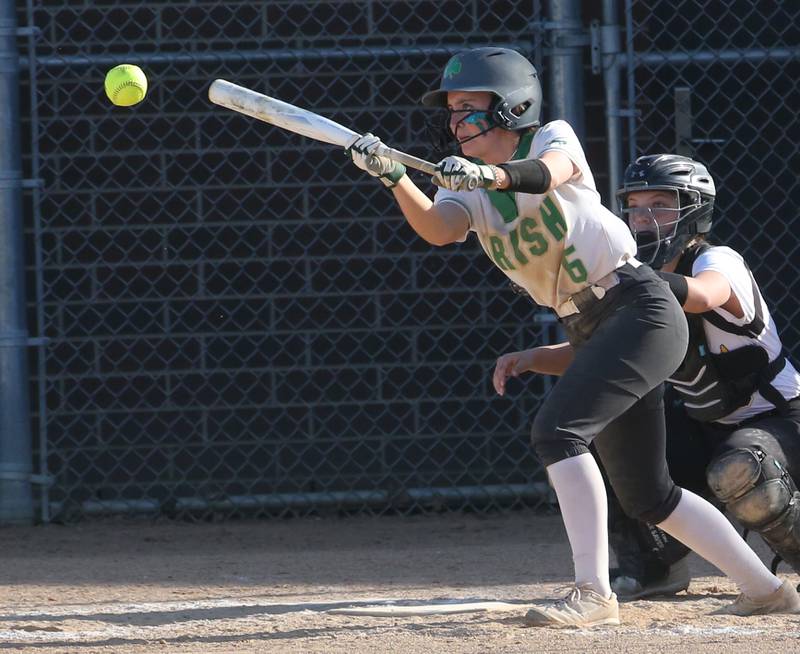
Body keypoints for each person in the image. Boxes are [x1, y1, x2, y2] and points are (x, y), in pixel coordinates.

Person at [346, 46, 800, 626]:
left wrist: (490, 174)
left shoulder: (549, 140)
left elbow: (544, 176)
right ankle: (764, 589)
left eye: (468, 107)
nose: (454, 121)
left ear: (511, 107)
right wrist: (395, 179)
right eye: (452, 110)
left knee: (557, 431)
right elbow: (438, 228)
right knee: (648, 496)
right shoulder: (464, 188)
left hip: (638, 304)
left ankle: (592, 593)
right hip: (586, 322)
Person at [593, 154, 800, 601]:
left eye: (661, 205)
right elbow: (597, 355)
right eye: (635, 206)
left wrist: (631, 278)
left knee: (742, 468)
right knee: (603, 446)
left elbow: (706, 296)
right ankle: (651, 567)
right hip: (705, 426)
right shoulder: (640, 285)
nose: (645, 218)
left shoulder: (716, 260)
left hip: (781, 421)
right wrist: (532, 357)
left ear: (695, 210)